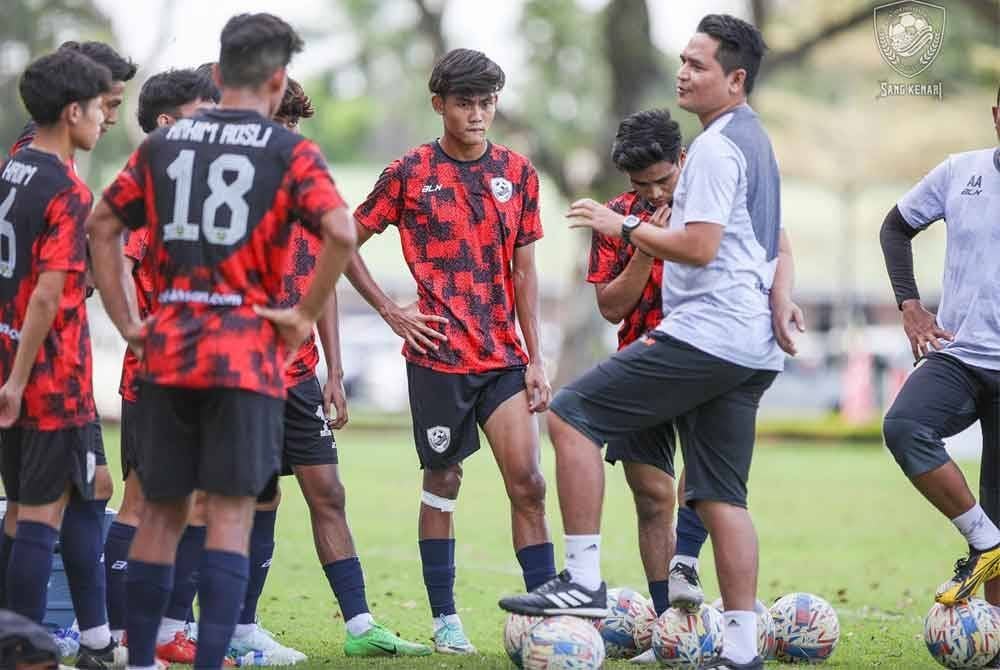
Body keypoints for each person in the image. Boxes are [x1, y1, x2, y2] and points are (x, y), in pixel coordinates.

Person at [500, 14, 800, 670]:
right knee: (722, 498)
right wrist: (780, 299)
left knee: (569, 415)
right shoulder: (755, 140)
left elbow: (700, 247)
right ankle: (741, 652)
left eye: (697, 64)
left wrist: (625, 227)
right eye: (683, 61)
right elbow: (767, 238)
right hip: (750, 349)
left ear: (736, 79)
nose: (682, 73)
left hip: (705, 337)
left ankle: (582, 580)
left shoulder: (715, 148)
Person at [86, 13, 356, 669]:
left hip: (168, 352)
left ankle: (140, 659)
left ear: (218, 72)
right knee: (231, 517)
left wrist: (128, 324)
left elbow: (101, 225)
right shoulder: (288, 150)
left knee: (159, 513)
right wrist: (302, 315)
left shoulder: (163, 145)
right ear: (278, 79)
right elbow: (342, 233)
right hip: (245, 357)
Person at [350, 48, 555, 653]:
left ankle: (549, 617)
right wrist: (391, 312)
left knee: (529, 483)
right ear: (439, 104)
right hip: (438, 357)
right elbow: (342, 240)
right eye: (465, 103)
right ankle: (445, 621)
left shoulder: (518, 173)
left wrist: (537, 356)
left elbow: (525, 273)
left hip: (503, 359)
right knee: (443, 478)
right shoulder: (408, 173)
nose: (478, 114)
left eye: (487, 102)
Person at [229, 78, 430, 662]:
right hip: (247, 374)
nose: (289, 133)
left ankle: (360, 624)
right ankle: (239, 627)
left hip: (300, 375)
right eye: (280, 121)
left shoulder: (309, 184)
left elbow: (327, 276)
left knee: (328, 491)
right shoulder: (232, 184)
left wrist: (335, 372)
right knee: (258, 497)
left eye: (294, 123)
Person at [0, 48, 127, 669]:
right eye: (102, 108)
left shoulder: (12, 169)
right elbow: (49, 294)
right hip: (50, 378)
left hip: (10, 361)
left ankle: (89, 642)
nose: (106, 119)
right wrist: (20, 380)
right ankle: (22, 651)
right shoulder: (68, 190)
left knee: (36, 507)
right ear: (73, 111)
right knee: (37, 516)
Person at [99, 67, 220, 667]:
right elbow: (118, 259)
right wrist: (135, 329)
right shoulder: (150, 180)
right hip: (156, 375)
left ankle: (171, 630)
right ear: (168, 121)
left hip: (200, 372)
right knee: (142, 502)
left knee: (196, 502)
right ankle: (121, 635)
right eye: (203, 111)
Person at [880, 84, 1000, 609]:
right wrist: (909, 304)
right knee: (905, 426)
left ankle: (994, 631)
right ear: (995, 115)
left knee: (999, 500)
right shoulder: (960, 172)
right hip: (960, 356)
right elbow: (894, 227)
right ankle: (984, 541)